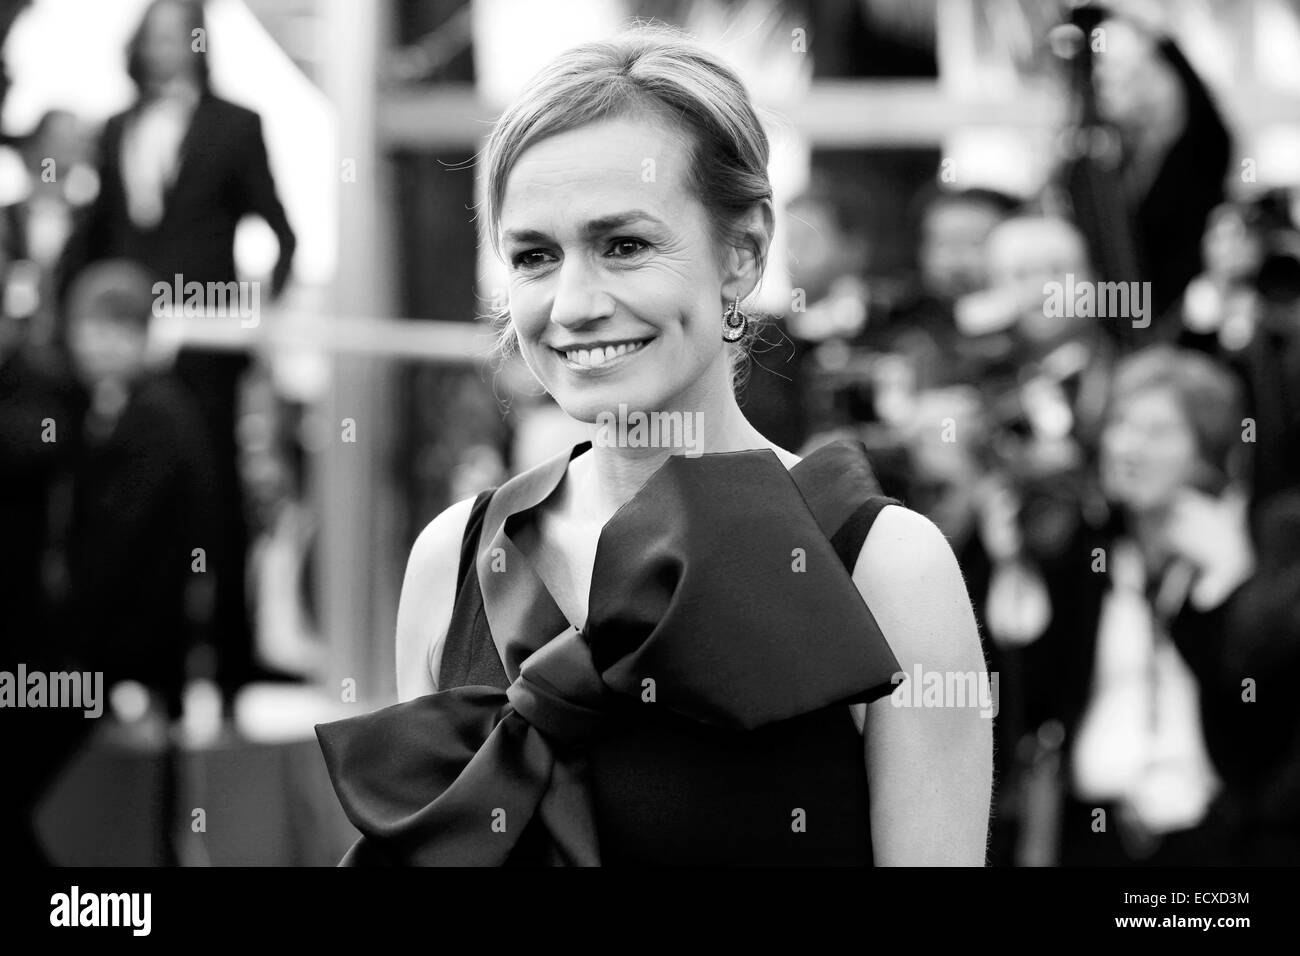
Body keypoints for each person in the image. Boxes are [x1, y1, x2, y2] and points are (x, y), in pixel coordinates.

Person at [316, 25, 992, 866]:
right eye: (534, 256)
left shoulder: (883, 567)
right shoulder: (453, 558)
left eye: (624, 246)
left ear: (742, 253)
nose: (573, 303)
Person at [59, 0, 296, 713]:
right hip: (125, 353)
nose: (164, 50)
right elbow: (97, 232)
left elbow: (282, 231)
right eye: (153, 37)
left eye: (176, 36)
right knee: (125, 507)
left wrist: (255, 319)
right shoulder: (115, 129)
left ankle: (226, 677)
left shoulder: (237, 124)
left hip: (205, 352)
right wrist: (70, 319)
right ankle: (131, 673)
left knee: (216, 507)